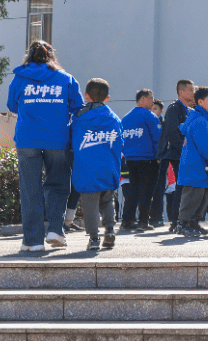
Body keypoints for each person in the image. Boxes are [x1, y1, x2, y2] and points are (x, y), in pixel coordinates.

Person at [6, 40, 84, 252]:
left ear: (28, 56)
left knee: (30, 189)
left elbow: (12, 105)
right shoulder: (65, 78)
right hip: (57, 139)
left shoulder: (20, 77)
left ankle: (32, 242)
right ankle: (55, 231)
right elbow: (78, 107)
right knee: (58, 184)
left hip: (27, 139)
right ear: (51, 56)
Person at [70, 78, 124, 251]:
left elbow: (71, 140)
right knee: (107, 201)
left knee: (90, 205)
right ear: (107, 98)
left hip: (86, 169)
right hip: (108, 167)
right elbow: (120, 143)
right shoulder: (114, 118)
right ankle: (109, 230)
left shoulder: (79, 117)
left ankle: (94, 239)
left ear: (86, 96)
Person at [176, 87, 208, 238]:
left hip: (199, 165)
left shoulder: (199, 119)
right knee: (193, 196)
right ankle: (183, 224)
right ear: (200, 102)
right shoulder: (199, 121)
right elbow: (205, 145)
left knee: (202, 196)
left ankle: (193, 223)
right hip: (196, 165)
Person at [120, 89, 162, 231]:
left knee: (134, 189)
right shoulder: (150, 116)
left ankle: (127, 220)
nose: (152, 102)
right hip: (148, 158)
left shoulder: (125, 118)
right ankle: (143, 221)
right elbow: (157, 138)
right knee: (147, 190)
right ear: (143, 99)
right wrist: (159, 156)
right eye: (151, 99)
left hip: (130, 158)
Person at [157, 80, 195, 233]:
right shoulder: (174, 109)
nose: (193, 93)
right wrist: (185, 150)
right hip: (177, 154)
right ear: (181, 92)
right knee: (182, 188)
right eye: (190, 90)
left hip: (186, 154)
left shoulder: (188, 110)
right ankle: (176, 221)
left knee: (186, 187)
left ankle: (182, 220)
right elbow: (173, 133)